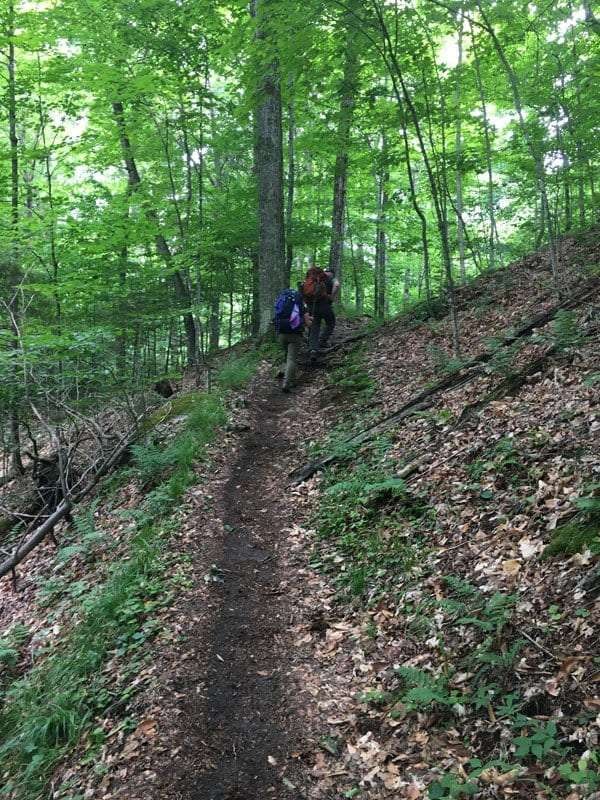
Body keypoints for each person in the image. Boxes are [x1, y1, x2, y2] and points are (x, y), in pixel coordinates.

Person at [274, 287, 312, 393]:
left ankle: (290, 377)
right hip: (295, 334)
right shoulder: (301, 304)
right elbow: (308, 323)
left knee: (287, 356)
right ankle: (287, 383)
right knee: (292, 359)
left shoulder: (283, 299)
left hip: (281, 332)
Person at [303, 267, 339, 360]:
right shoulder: (330, 278)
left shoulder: (310, 279)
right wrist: (332, 297)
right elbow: (337, 285)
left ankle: (313, 350)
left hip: (311, 306)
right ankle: (322, 341)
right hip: (324, 305)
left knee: (314, 327)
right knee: (331, 322)